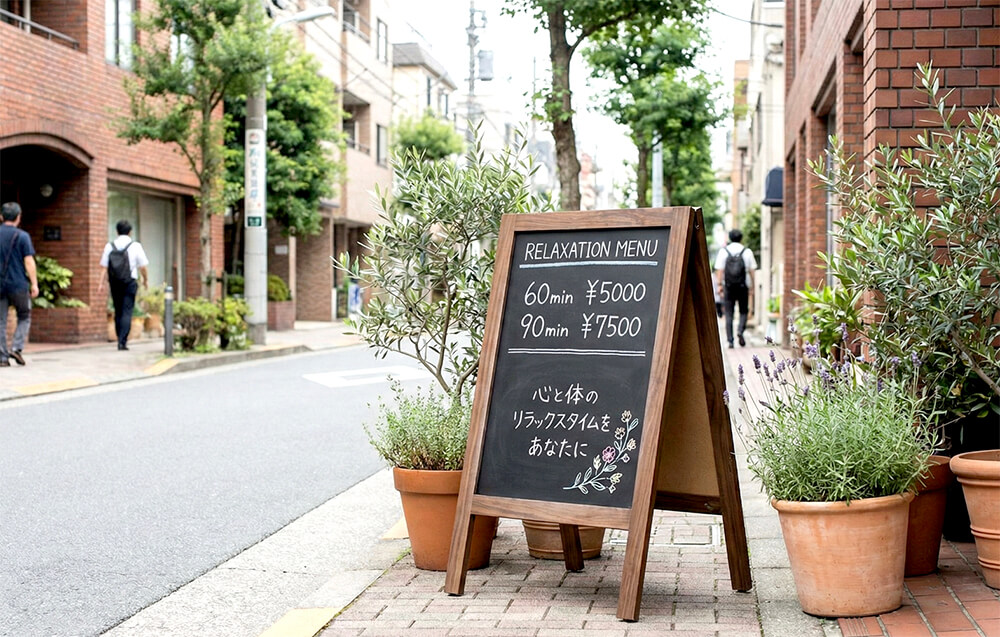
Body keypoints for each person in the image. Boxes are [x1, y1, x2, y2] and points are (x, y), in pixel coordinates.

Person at [99, 220, 149, 351]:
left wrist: (101, 283)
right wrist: (145, 280)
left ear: (117, 231)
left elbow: (104, 267)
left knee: (118, 310)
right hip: (129, 282)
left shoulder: (109, 246)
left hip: (115, 282)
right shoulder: (135, 246)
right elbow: (143, 266)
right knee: (127, 310)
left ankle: (119, 337)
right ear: (130, 232)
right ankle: (122, 341)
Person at [0, 202, 39, 367]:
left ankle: (2, 357)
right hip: (18, 284)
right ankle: (16, 347)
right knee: (24, 315)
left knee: (0, 321)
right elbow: (29, 261)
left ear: (1, 217)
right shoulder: (22, 236)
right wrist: (34, 284)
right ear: (18, 217)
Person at [714, 228, 757, 349]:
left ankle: (730, 341)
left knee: (729, 313)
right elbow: (752, 270)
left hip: (728, 286)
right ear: (741, 238)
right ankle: (740, 331)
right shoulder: (747, 251)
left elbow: (720, 270)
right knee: (743, 310)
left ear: (730, 238)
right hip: (743, 286)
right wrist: (752, 286)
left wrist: (719, 286)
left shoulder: (724, 251)